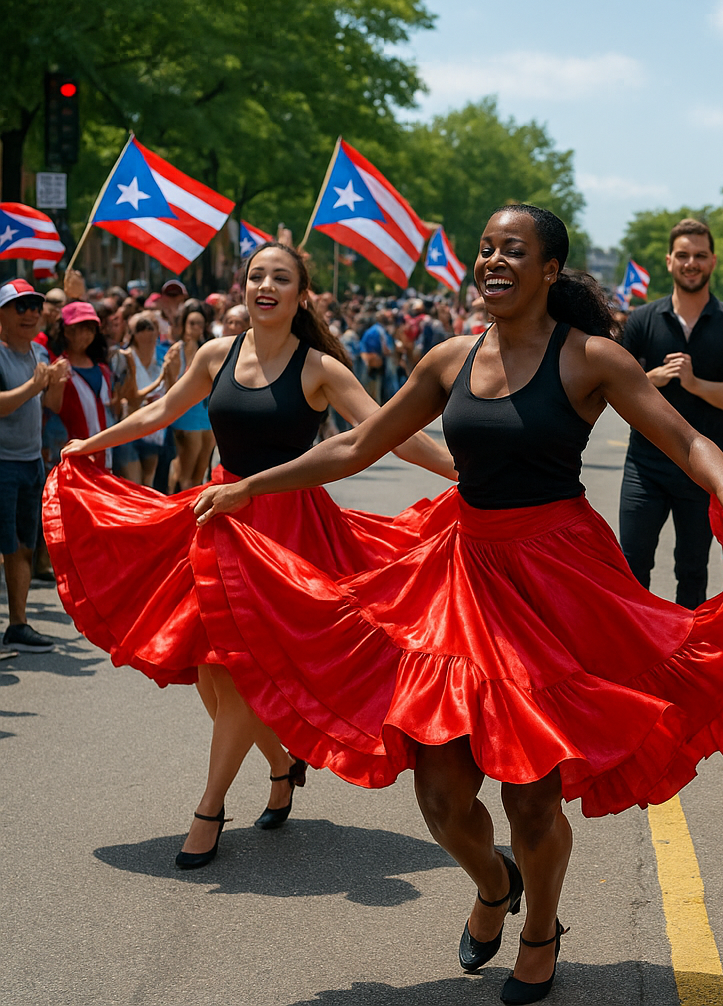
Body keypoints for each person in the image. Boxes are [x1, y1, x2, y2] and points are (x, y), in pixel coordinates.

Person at [190, 206, 723, 1004]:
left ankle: (540, 929)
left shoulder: (592, 358)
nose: (495, 260)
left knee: (531, 796)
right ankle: (492, 884)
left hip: (556, 584)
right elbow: (355, 444)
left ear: (548, 271)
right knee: (439, 790)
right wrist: (250, 486)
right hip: (462, 581)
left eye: (515, 250)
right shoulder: (447, 359)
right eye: (487, 248)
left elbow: (684, 439)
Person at [46, 242, 457, 871]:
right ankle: (280, 763)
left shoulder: (320, 368)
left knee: (238, 669)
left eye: (280, 277)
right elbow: (159, 410)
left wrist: (465, 472)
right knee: (215, 677)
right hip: (218, 519)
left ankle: (208, 810)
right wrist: (91, 443)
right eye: (256, 275)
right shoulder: (215, 354)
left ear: (300, 295)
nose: (265, 285)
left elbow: (388, 434)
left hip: (288, 531)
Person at [618, 218, 723, 608]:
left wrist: (695, 384)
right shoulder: (643, 319)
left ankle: (684, 657)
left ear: (712, 262)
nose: (690, 262)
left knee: (693, 569)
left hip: (702, 466)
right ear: (668, 261)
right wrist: (650, 379)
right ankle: (634, 656)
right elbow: (614, 393)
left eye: (699, 255)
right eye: (682, 255)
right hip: (645, 464)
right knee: (632, 567)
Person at [0, 280, 69, 653]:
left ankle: (18, 624)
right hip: (2, 463)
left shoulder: (39, 353)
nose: (29, 313)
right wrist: (35, 384)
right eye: (19, 306)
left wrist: (55, 383)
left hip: (30, 462)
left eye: (34, 306)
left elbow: (52, 405)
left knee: (24, 546)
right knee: (4, 546)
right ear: (1, 315)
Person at [47, 302, 117, 471]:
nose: (87, 335)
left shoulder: (103, 369)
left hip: (103, 458)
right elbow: (52, 406)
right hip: (69, 459)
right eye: (81, 328)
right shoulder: (59, 367)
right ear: (67, 331)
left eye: (91, 329)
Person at [118, 313, 174, 486]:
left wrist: (170, 372)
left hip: (154, 432)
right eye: (142, 328)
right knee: (133, 487)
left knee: (147, 487)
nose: (147, 332)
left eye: (151, 327)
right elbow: (131, 399)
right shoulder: (125, 358)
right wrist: (160, 379)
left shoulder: (163, 357)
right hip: (129, 432)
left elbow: (172, 393)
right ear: (132, 334)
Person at [167, 300, 217, 491]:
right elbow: (172, 387)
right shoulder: (177, 350)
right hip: (185, 413)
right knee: (185, 477)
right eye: (192, 323)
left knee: (200, 475)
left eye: (200, 324)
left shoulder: (208, 349)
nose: (196, 328)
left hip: (205, 413)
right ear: (184, 325)